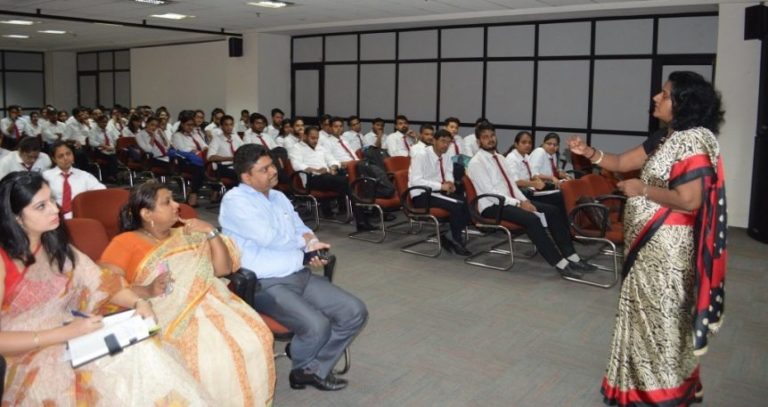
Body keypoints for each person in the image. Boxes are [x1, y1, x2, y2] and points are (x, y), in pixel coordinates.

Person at [568, 71, 727, 407]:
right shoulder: (668, 137)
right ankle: (642, 385)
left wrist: (642, 190)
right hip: (649, 247)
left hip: (667, 249)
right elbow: (621, 162)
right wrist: (589, 152)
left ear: (683, 103)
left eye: (665, 94)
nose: (656, 97)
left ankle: (661, 393)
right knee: (643, 315)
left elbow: (690, 200)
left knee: (661, 317)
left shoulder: (693, 141)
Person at [0, 171, 211, 405]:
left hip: (73, 335)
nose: (54, 209)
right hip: (27, 353)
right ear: (16, 217)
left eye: (51, 200)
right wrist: (61, 335)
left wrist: (138, 302)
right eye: (41, 206)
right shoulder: (2, 260)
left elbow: (102, 282)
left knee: (143, 352)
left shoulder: (57, 248)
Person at [100, 182, 276, 406]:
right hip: (164, 309)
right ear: (146, 214)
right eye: (167, 202)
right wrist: (147, 290)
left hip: (213, 300)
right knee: (206, 358)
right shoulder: (125, 242)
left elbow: (222, 269)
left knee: (257, 337)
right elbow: (105, 285)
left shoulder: (188, 234)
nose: (177, 205)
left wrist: (211, 232)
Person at [220, 144, 368, 391]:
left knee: (354, 311)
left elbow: (301, 228)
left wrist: (312, 242)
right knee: (316, 327)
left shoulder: (277, 197)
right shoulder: (235, 201)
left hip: (298, 273)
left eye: (272, 165)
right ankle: (304, 361)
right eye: (264, 169)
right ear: (246, 177)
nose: (273, 171)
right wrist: (304, 247)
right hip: (266, 283)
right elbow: (270, 238)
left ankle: (309, 367)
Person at [466, 122, 594, 278]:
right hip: (491, 205)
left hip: (510, 200)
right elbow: (490, 192)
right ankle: (560, 263)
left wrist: (524, 200)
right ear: (479, 141)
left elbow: (511, 185)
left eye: (492, 135)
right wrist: (519, 203)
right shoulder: (476, 162)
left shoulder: (500, 158)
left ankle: (572, 257)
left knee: (553, 211)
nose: (490, 139)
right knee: (532, 219)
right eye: (485, 137)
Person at [289, 126, 375, 231]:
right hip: (311, 180)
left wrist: (333, 167)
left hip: (326, 177)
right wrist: (315, 170)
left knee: (350, 184)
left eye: (317, 138)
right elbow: (296, 165)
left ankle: (362, 220)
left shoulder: (320, 147)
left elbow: (332, 160)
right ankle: (362, 220)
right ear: (305, 136)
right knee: (348, 183)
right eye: (312, 138)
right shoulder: (296, 148)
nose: (315, 141)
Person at [408, 129, 472, 255]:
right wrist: (441, 186)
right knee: (458, 205)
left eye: (448, 142)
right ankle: (455, 240)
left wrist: (450, 182)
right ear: (434, 141)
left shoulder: (446, 154)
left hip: (438, 192)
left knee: (467, 203)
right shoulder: (421, 155)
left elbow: (448, 172)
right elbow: (416, 181)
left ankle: (449, 235)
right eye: (443, 141)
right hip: (421, 195)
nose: (446, 145)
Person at [43, 141, 105, 219]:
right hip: (55, 217)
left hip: (80, 217)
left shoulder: (84, 176)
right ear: (54, 159)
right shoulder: (46, 176)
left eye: (68, 154)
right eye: (61, 156)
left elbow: (102, 191)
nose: (66, 158)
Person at [505, 131, 566, 209]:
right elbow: (515, 182)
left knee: (562, 195)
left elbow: (533, 174)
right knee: (554, 206)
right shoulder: (512, 158)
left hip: (531, 190)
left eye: (530, 143)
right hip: (521, 194)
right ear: (516, 144)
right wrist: (534, 184)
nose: (527, 145)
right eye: (524, 142)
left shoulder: (526, 156)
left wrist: (537, 180)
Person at [171, 110, 207, 207]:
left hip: (199, 159)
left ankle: (191, 191)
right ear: (182, 124)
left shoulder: (195, 134)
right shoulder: (177, 135)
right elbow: (182, 149)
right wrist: (194, 150)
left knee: (203, 168)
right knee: (199, 169)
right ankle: (193, 193)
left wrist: (199, 150)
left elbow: (204, 146)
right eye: (188, 125)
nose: (190, 127)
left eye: (192, 125)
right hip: (184, 161)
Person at [207, 114, 243, 184]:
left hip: (237, 165)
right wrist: (230, 158)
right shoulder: (216, 139)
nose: (229, 127)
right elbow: (210, 157)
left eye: (231, 124)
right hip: (223, 167)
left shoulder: (235, 137)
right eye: (226, 125)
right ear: (221, 126)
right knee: (240, 175)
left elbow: (244, 149)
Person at [88, 115, 120, 182]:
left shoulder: (109, 130)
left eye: (106, 122)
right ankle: (112, 176)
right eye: (102, 122)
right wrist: (103, 146)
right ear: (98, 122)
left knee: (115, 154)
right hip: (99, 150)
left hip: (110, 149)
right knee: (112, 157)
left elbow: (115, 139)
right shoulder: (93, 131)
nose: (104, 124)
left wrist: (112, 147)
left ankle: (113, 175)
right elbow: (91, 142)